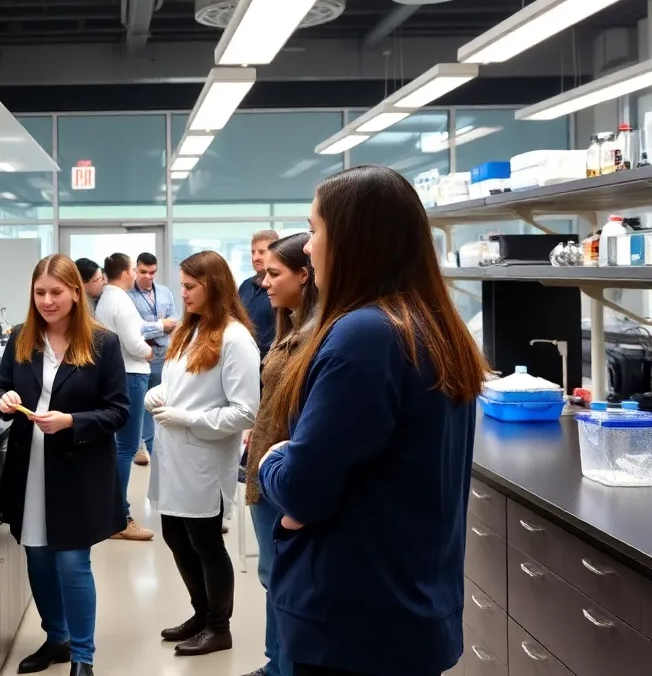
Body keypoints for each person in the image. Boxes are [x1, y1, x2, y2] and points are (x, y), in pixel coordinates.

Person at [258, 165, 488, 676]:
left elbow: (301, 488)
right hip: (409, 609)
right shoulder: (432, 326)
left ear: (352, 239)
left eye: (315, 230)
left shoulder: (364, 336)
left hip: (353, 620)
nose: (309, 247)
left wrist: (274, 460)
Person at [0, 254, 130, 676]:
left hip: (77, 467)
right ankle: (57, 638)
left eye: (56, 292)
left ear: (74, 293)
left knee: (71, 561)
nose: (48, 301)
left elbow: (119, 411)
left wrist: (72, 422)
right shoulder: (21, 338)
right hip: (30, 466)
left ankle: (83, 656)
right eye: (40, 292)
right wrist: (3, 400)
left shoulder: (102, 343)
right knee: (38, 558)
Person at [146, 250, 258, 657]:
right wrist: (161, 395)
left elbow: (246, 411)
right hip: (174, 455)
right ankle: (201, 612)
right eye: (183, 286)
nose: (184, 294)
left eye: (190, 287)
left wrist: (187, 417)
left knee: (207, 543)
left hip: (204, 460)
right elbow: (180, 384)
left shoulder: (235, 338)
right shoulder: (189, 331)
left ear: (213, 286)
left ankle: (218, 627)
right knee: (176, 535)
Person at [242, 233, 318, 676]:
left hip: (286, 476)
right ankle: (276, 665)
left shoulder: (316, 336)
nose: (264, 282)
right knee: (273, 578)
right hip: (267, 471)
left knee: (285, 581)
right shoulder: (288, 326)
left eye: (274, 273)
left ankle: (285, 668)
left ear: (304, 275)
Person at [95, 251, 156, 541]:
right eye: (133, 269)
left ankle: (112, 512)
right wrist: (149, 352)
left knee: (120, 447)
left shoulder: (106, 299)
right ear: (125, 272)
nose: (136, 274)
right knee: (128, 447)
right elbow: (133, 344)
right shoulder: (122, 300)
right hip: (132, 374)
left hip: (116, 375)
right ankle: (120, 517)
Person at [127, 251, 179, 466]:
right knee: (138, 404)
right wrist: (160, 327)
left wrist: (161, 328)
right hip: (140, 356)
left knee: (160, 402)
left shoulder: (165, 293)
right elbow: (133, 330)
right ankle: (140, 443)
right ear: (134, 271)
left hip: (163, 356)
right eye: (143, 272)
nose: (148, 276)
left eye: (152, 272)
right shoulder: (128, 296)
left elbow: (174, 322)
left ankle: (157, 446)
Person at [238, 230, 279, 359]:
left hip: (270, 362)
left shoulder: (281, 287)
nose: (255, 258)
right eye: (253, 252)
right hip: (244, 357)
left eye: (262, 252)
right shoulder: (245, 286)